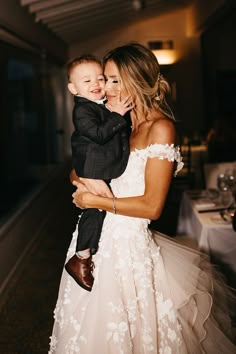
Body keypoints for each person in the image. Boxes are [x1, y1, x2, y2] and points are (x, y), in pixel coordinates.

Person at [49, 43, 236, 353]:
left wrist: (96, 201)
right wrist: (81, 181)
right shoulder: (120, 121)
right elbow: (80, 164)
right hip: (94, 241)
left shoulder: (160, 129)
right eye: (102, 79)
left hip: (127, 250)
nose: (102, 87)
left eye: (111, 79)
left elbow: (152, 206)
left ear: (133, 80)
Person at [65, 55, 132, 291]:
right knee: (95, 210)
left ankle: (85, 254)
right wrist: (117, 115)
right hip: (92, 167)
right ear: (73, 88)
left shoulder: (100, 104)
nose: (95, 84)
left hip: (100, 167)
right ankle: (81, 257)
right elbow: (99, 135)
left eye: (99, 78)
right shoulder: (82, 110)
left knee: (98, 211)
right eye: (86, 81)